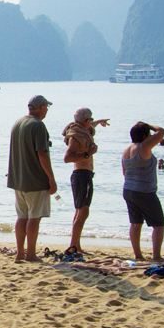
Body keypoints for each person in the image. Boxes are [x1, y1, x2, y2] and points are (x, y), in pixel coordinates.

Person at [7, 95, 58, 263]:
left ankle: (20, 253)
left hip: (18, 179)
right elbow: (42, 154)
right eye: (46, 108)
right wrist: (51, 178)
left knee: (22, 217)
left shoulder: (18, 123)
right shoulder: (38, 126)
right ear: (41, 107)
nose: (47, 111)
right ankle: (30, 254)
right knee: (34, 218)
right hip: (35, 180)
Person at [62, 107, 110, 255]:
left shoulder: (81, 129)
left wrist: (98, 122)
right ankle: (73, 245)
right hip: (81, 174)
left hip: (83, 175)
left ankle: (76, 244)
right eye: (90, 120)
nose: (91, 123)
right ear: (85, 121)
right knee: (83, 211)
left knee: (80, 210)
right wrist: (89, 153)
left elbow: (88, 127)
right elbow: (67, 158)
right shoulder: (76, 135)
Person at [121, 121, 164, 261]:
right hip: (145, 191)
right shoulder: (144, 146)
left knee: (135, 223)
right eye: (149, 134)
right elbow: (162, 131)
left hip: (128, 189)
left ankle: (138, 255)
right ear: (145, 135)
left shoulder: (126, 149)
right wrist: (148, 125)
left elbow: (124, 172)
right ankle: (157, 256)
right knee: (159, 225)